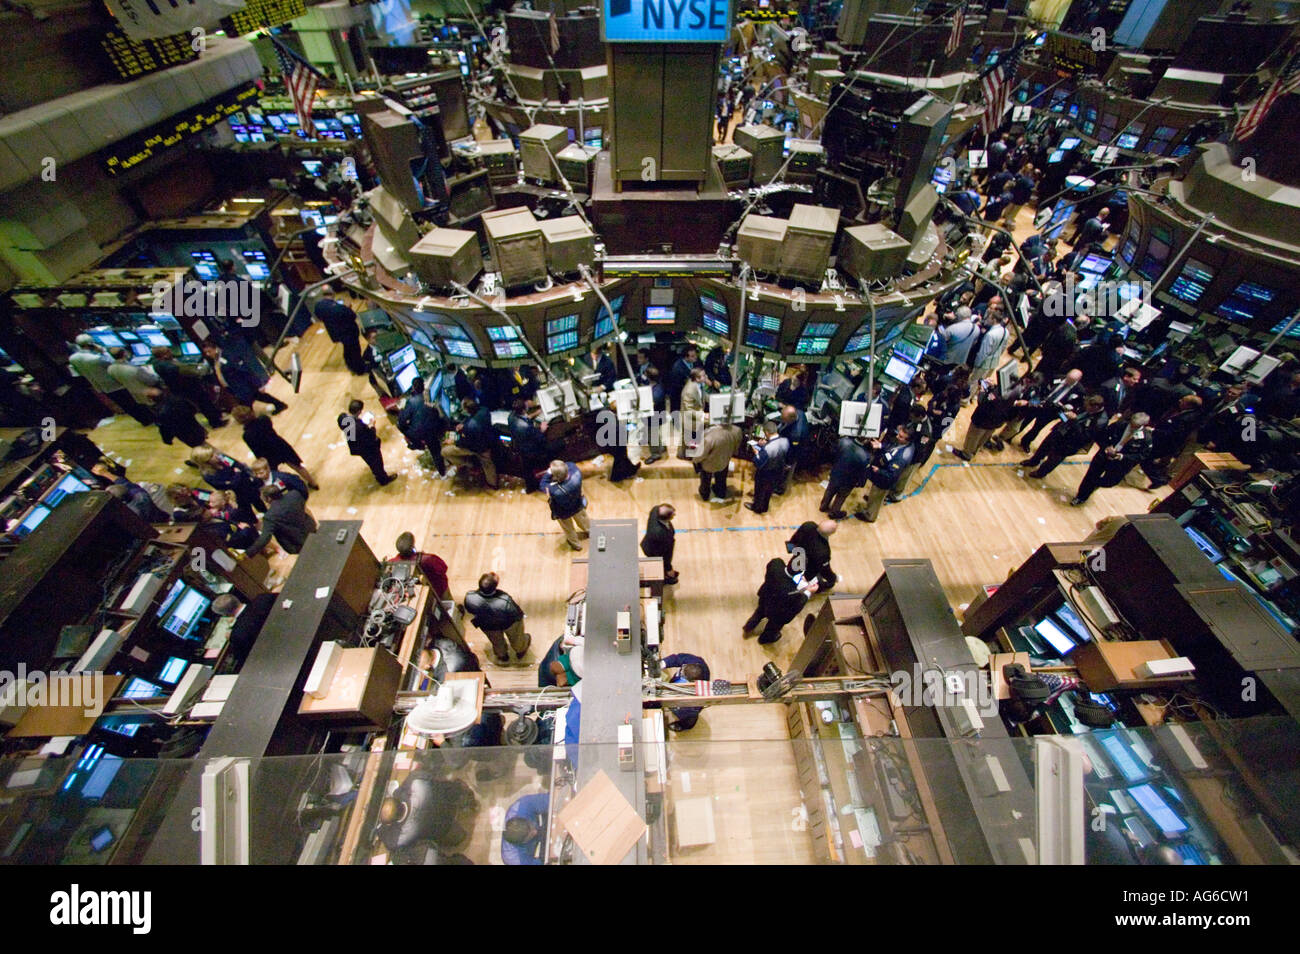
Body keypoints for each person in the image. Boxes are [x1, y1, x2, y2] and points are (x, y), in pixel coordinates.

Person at [376, 770, 478, 862]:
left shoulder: (401, 836)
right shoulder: (416, 781)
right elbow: (425, 774)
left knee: (455, 838)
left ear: (390, 823)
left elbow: (387, 841)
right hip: (447, 804)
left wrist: (382, 826)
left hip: (444, 829)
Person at [1071, 412, 1154, 506]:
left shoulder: (1146, 438)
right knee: (1090, 476)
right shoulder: (1120, 425)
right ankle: (1081, 497)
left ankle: (1094, 485)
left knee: (1109, 482)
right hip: (1104, 456)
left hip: (1120, 464)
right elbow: (1102, 435)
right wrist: (1106, 446)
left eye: (1136, 426)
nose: (1132, 427)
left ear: (1143, 425)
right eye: (1132, 424)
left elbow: (1142, 455)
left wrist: (1123, 457)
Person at [69, 335, 153, 424]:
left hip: (101, 387)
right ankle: (151, 419)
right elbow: (114, 364)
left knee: (126, 406)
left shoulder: (72, 358)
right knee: (135, 403)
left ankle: (144, 421)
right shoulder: (96, 358)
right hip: (116, 384)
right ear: (91, 344)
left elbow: (77, 374)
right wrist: (103, 351)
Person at [232, 405, 318, 489]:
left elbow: (256, 450)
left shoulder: (247, 435)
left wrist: (261, 460)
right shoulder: (264, 419)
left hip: (267, 454)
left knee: (273, 474)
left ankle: (280, 489)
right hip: (279, 445)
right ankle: (312, 483)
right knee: (297, 465)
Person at [743, 557, 817, 644]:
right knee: (772, 627)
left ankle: (748, 626)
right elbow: (797, 605)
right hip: (777, 612)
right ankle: (764, 639)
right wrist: (808, 592)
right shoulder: (792, 591)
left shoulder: (776, 563)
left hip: (765, 597)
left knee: (758, 613)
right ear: (800, 572)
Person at [464, 571, 531, 664]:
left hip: (487, 625)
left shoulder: (470, 597)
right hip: (508, 624)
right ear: (494, 588)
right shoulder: (504, 600)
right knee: (517, 638)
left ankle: (502, 656)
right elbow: (515, 613)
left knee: (496, 642)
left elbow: (469, 609)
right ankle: (520, 650)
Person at [202, 340, 286, 414]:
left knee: (250, 402)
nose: (208, 354)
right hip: (235, 388)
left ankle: (253, 418)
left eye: (209, 351)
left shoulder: (227, 356)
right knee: (258, 398)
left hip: (243, 386)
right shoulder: (216, 360)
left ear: (215, 348)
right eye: (206, 353)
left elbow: (244, 370)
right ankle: (279, 405)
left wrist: (257, 383)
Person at [151, 346, 225, 428]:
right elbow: (191, 371)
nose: (171, 352)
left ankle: (216, 417)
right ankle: (216, 422)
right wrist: (201, 368)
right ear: (164, 355)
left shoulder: (158, 363)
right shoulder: (168, 366)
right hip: (188, 387)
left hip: (181, 388)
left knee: (203, 403)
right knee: (204, 403)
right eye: (168, 351)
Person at [954, 381, 1027, 461]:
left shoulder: (997, 395)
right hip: (996, 421)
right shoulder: (1016, 394)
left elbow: (982, 401)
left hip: (983, 419)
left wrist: (981, 389)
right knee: (984, 437)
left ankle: (966, 454)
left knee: (973, 436)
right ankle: (974, 451)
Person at [1014, 369, 1085, 449]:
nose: (1068, 381)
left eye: (1071, 381)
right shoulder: (1058, 377)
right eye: (1068, 378)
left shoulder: (1079, 391)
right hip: (1039, 402)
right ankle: (1012, 435)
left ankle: (1025, 442)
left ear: (1077, 380)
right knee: (1025, 420)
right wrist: (1037, 400)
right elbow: (1044, 387)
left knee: (1037, 428)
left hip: (1052, 412)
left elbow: (1076, 405)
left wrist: (1066, 407)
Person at [857, 424, 914, 523]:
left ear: (907, 440)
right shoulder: (902, 445)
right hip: (880, 474)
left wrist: (879, 471)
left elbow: (892, 474)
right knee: (874, 494)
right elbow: (891, 452)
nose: (897, 437)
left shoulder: (902, 457)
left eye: (901, 436)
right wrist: (881, 446)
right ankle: (871, 500)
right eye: (899, 434)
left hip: (884, 480)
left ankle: (870, 515)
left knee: (877, 496)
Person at [245, 483, 317, 556]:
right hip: (311, 528)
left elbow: (265, 538)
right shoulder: (294, 494)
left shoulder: (269, 517)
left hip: (297, 543)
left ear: (268, 498)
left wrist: (248, 553)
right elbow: (306, 509)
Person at [211, 591, 277, 669]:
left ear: (226, 615)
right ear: (237, 599)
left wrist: (232, 637)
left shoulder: (237, 635)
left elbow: (243, 659)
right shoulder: (264, 597)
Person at [396, 377, 448, 476]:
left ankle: (415, 444)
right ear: (424, 387)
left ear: (413, 388)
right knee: (435, 449)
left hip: (423, 433)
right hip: (436, 428)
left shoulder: (411, 401)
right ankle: (442, 471)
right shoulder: (429, 398)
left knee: (400, 425)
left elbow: (402, 422)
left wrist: (402, 412)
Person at [444, 398, 500, 489]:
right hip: (490, 440)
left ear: (467, 410)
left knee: (446, 451)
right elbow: (474, 419)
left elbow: (465, 443)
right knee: (488, 464)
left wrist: (453, 441)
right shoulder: (484, 410)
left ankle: (469, 464)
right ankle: (493, 484)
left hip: (479, 448)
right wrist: (465, 425)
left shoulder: (469, 427)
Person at [338, 399, 394, 486]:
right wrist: (372, 426)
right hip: (367, 448)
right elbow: (371, 436)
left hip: (357, 447)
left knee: (371, 463)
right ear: (359, 411)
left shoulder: (344, 419)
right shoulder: (359, 427)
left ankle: (377, 474)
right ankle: (383, 479)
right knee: (377, 463)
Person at [889, 404, 937, 502]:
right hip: (908, 450)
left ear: (919, 416)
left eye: (913, 417)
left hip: (915, 457)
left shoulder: (926, 431)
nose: (911, 418)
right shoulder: (918, 422)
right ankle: (891, 490)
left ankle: (897, 495)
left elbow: (921, 448)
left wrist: (909, 458)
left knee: (904, 477)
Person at [314, 288, 367, 375]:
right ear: (333, 293)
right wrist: (348, 308)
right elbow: (352, 316)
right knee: (354, 351)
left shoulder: (319, 306)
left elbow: (319, 317)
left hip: (335, 333)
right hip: (348, 332)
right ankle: (359, 369)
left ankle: (350, 365)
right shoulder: (340, 308)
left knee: (347, 349)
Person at [540, 459, 590, 550]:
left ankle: (575, 544)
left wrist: (548, 473)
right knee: (583, 519)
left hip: (563, 511)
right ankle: (589, 530)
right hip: (577, 503)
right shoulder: (576, 474)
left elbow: (543, 484)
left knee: (568, 528)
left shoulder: (554, 490)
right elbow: (570, 464)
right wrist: (559, 468)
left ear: (557, 477)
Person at [820, 435, 872, 519]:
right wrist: (861, 483)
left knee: (829, 490)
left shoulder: (843, 441)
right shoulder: (865, 456)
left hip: (835, 474)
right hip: (848, 481)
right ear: (866, 440)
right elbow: (863, 473)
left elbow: (833, 454)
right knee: (840, 497)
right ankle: (833, 513)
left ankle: (823, 506)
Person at [389, 531, 451, 600]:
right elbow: (443, 568)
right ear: (413, 546)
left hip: (420, 596)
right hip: (439, 590)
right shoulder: (428, 559)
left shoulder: (392, 563)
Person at [746, 419, 789, 514]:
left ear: (767, 432)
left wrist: (756, 451)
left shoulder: (768, 448)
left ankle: (757, 507)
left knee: (760, 490)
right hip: (778, 471)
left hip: (765, 473)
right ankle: (765, 507)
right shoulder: (785, 441)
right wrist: (764, 445)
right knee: (769, 490)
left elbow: (757, 462)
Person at [695, 417, 742, 502]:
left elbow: (701, 454)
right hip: (725, 461)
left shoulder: (710, 437)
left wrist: (695, 461)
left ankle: (705, 494)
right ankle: (721, 493)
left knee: (705, 480)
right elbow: (736, 448)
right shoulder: (736, 431)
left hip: (709, 464)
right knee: (721, 479)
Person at [660, 653, 710, 730]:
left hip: (685, 703)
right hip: (675, 687)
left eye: (683, 674)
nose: (681, 671)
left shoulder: (699, 691)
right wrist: (662, 663)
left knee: (689, 716)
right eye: (683, 669)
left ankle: (684, 725)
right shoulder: (694, 661)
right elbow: (677, 659)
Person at [508, 399, 547, 492]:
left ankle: (530, 487)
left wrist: (536, 413)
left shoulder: (511, 416)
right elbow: (539, 438)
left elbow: (525, 418)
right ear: (523, 410)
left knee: (527, 469)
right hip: (529, 450)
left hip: (519, 446)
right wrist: (542, 430)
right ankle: (536, 485)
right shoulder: (526, 427)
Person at [787, 519, 837, 590]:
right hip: (809, 568)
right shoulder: (823, 551)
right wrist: (833, 578)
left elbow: (795, 538)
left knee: (792, 571)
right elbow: (825, 570)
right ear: (831, 533)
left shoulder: (808, 526)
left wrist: (791, 548)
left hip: (798, 556)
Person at [501, 793, 549, 865]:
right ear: (521, 843)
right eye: (530, 835)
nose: (535, 832)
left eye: (531, 826)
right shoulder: (515, 860)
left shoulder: (522, 806)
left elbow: (552, 800)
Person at [640, 503, 679, 583]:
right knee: (659, 564)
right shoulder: (661, 534)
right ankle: (663, 577)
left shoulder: (655, 511)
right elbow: (666, 554)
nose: (675, 514)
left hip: (649, 545)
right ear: (667, 518)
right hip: (655, 551)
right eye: (672, 514)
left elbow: (657, 507)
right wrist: (669, 568)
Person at [776, 403, 809, 492]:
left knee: (785, 471)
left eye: (784, 419)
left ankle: (780, 489)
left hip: (794, 450)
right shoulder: (799, 412)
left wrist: (788, 463)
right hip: (789, 440)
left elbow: (794, 451)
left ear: (791, 419)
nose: (781, 419)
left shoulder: (796, 434)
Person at [678, 368, 708, 460]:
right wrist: (703, 415)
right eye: (703, 376)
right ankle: (684, 456)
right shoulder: (689, 391)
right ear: (697, 379)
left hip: (695, 417)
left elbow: (704, 396)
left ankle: (689, 454)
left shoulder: (699, 385)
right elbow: (688, 410)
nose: (706, 377)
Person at [667, 345, 698, 415]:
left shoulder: (695, 362)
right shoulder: (678, 368)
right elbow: (678, 384)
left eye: (695, 355)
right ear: (686, 357)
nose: (695, 357)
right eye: (692, 356)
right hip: (678, 393)